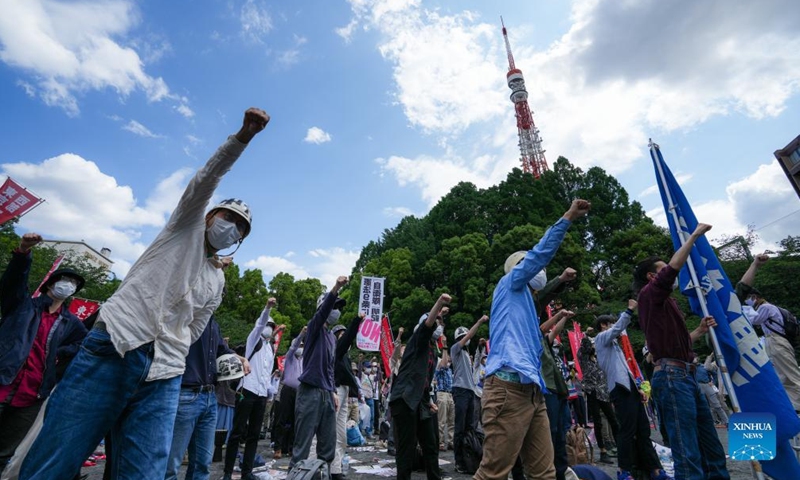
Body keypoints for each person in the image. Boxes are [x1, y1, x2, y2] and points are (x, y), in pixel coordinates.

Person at [20, 108, 268, 480]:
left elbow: (195, 328)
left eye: (240, 228)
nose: (232, 228)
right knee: (55, 461)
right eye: (228, 218)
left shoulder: (217, 280)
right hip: (115, 346)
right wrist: (242, 138)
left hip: (165, 373)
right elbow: (207, 178)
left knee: (146, 473)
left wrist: (171, 346)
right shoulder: (183, 227)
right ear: (209, 216)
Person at [474, 199, 590, 480]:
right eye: (527, 264)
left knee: (544, 473)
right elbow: (540, 254)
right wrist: (568, 217)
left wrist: (560, 285)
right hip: (507, 388)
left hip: (533, 392)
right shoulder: (510, 284)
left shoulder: (526, 304)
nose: (538, 269)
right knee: (493, 473)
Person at [634, 222, 730, 480]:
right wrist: (694, 236)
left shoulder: (666, 303)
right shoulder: (649, 295)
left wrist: (699, 331)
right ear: (651, 277)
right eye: (662, 269)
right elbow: (671, 271)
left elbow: (676, 342)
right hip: (672, 377)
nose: (670, 272)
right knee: (686, 449)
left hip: (687, 375)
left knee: (710, 444)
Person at [0, 233, 87, 473]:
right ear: (50, 283)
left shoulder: (71, 323)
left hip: (32, 395)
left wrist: (60, 352)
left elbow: (83, 343)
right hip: (3, 381)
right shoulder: (22, 305)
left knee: (5, 452)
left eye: (73, 283)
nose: (68, 284)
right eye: (65, 279)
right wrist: (23, 253)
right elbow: (13, 281)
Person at [165, 314, 250, 480]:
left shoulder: (213, 324)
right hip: (186, 393)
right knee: (171, 465)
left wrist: (241, 359)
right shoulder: (188, 314)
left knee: (203, 464)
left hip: (210, 396)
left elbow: (222, 350)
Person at [594, 302, 669, 480]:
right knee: (627, 431)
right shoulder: (601, 339)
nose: (614, 325)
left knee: (643, 430)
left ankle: (655, 469)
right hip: (619, 389)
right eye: (610, 323)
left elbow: (627, 370)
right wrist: (628, 311)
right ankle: (623, 470)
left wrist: (638, 388)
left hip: (630, 389)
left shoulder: (615, 346)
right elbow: (616, 329)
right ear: (603, 325)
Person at [289, 276, 349, 470]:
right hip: (310, 392)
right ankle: (295, 474)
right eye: (334, 306)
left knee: (328, 446)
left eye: (338, 307)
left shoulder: (331, 338)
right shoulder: (314, 327)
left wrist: (333, 391)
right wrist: (336, 287)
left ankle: (323, 474)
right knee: (302, 446)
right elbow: (323, 312)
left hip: (326, 394)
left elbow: (330, 368)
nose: (336, 311)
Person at [390, 293, 451, 480]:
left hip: (420, 401)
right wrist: (439, 304)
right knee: (406, 449)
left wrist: (428, 400)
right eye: (436, 321)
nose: (438, 325)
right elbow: (427, 325)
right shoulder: (418, 340)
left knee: (430, 446)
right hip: (404, 398)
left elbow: (423, 380)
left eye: (440, 323)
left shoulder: (432, 350)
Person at [222, 299, 284, 480]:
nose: (269, 328)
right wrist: (267, 308)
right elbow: (259, 325)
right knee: (237, 433)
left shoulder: (270, 349)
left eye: (271, 327)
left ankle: (246, 472)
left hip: (261, 395)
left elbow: (266, 373)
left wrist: (269, 391)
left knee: (254, 435)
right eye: (267, 325)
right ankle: (227, 472)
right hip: (247, 390)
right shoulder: (253, 339)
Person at [737, 253, 800, 411]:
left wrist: (745, 310)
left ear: (755, 297)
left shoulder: (765, 307)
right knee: (784, 376)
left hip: (776, 340)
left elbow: (754, 321)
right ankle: (794, 407)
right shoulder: (774, 308)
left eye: (749, 298)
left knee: (791, 375)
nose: (748, 301)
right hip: (779, 341)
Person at [331, 312, 365, 480]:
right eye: (341, 334)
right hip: (335, 390)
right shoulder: (336, 350)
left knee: (341, 435)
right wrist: (357, 321)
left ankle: (335, 469)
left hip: (344, 391)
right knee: (330, 432)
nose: (345, 336)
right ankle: (321, 468)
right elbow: (347, 338)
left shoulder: (345, 355)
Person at [450, 315, 487, 473]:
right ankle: (459, 461)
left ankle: (469, 458)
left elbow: (478, 361)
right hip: (460, 390)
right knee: (460, 428)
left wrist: (480, 347)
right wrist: (479, 322)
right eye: (463, 337)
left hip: (470, 391)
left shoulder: (466, 354)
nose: (466, 339)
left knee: (470, 427)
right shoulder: (455, 349)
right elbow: (469, 335)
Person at [578, 336, 617, 464]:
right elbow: (584, 347)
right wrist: (586, 336)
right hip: (592, 393)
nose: (594, 346)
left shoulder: (598, 359)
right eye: (593, 344)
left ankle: (621, 446)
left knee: (613, 419)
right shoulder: (584, 359)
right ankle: (603, 451)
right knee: (598, 422)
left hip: (603, 393)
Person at [273, 326, 306, 460]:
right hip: (287, 389)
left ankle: (292, 448)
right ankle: (278, 447)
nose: (300, 348)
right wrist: (301, 334)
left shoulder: (304, 359)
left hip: (299, 391)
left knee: (296, 420)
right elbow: (293, 347)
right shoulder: (290, 357)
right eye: (299, 345)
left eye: (302, 346)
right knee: (282, 419)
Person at [693, 358, 727, 427]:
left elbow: (714, 374)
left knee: (716, 404)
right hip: (696, 386)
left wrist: (713, 382)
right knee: (699, 405)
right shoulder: (690, 367)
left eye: (695, 358)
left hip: (707, 385)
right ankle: (713, 421)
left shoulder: (704, 367)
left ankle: (726, 421)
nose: (694, 359)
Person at [435, 338, 455, 452]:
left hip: (450, 394)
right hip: (442, 394)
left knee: (452, 420)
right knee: (441, 421)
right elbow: (443, 363)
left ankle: (451, 441)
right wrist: (444, 348)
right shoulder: (440, 367)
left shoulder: (449, 370)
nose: (449, 359)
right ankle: (441, 442)